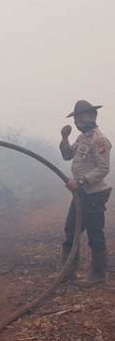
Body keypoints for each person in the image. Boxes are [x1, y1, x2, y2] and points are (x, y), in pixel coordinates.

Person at [60, 100, 111, 285]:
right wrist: (64, 137)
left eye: (80, 117)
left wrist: (80, 181)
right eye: (76, 118)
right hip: (80, 194)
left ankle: (98, 274)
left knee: (94, 233)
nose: (77, 121)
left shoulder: (99, 140)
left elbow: (103, 169)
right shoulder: (82, 138)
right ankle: (68, 272)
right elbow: (67, 156)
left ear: (92, 117)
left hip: (94, 194)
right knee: (71, 230)